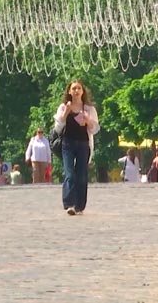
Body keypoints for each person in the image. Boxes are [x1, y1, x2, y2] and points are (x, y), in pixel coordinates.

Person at [54, 79, 100, 216]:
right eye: (73, 88)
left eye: (78, 88)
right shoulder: (63, 107)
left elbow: (95, 129)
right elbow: (57, 128)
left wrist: (88, 120)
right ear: (69, 91)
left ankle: (80, 205)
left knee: (81, 175)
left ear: (82, 91)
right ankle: (69, 204)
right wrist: (65, 113)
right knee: (70, 174)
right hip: (67, 143)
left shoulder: (89, 109)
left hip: (83, 144)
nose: (76, 91)